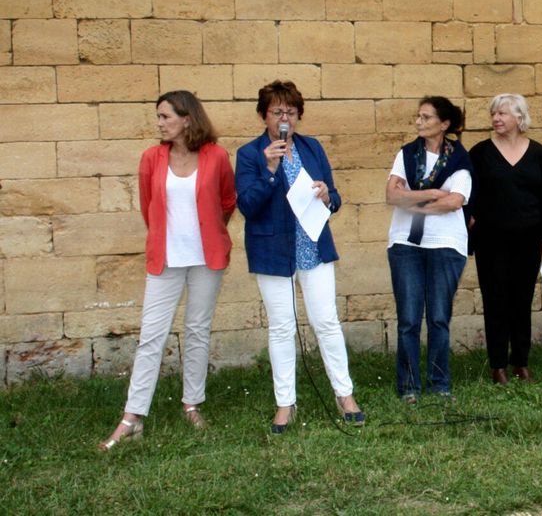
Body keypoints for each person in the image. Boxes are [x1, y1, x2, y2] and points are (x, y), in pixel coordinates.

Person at [99, 91, 235, 450]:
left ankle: (192, 404)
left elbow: (227, 201)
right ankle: (132, 417)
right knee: (151, 337)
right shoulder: (151, 158)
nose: (159, 123)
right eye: (158, 117)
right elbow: (149, 206)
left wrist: (209, 231)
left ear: (187, 118)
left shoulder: (216, 156)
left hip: (207, 259)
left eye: (165, 116)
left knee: (197, 331)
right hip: (165, 259)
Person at [235, 80, 363, 432]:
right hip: (273, 250)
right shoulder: (250, 155)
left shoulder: (312, 148)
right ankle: (285, 403)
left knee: (326, 321)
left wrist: (326, 195)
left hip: (313, 247)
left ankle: (344, 394)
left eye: (290, 111)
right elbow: (247, 205)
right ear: (264, 116)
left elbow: (335, 197)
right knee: (281, 327)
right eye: (277, 111)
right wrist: (271, 171)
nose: (284, 117)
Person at [385, 96, 472, 403]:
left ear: (444, 124)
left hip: (446, 245)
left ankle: (439, 383)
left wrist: (415, 197)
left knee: (438, 317)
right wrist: (434, 192)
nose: (419, 122)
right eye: (418, 116)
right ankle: (409, 386)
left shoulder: (459, 158)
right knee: (408, 318)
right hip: (405, 244)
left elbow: (454, 202)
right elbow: (392, 195)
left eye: (426, 117)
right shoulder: (407, 154)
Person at [469, 93, 542, 385]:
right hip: (490, 240)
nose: (496, 119)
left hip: (529, 239)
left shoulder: (538, 154)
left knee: (522, 300)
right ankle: (498, 366)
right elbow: (469, 198)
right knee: (495, 300)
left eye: (503, 113)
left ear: (520, 118)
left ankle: (521, 362)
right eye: (493, 114)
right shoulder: (480, 152)